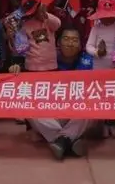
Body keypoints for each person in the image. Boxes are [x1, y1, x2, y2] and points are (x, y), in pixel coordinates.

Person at [29, 26, 95, 160]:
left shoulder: (90, 61)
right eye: (66, 39)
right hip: (54, 111)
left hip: (77, 112)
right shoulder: (47, 58)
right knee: (30, 109)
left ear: (81, 44)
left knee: (93, 108)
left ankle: (58, 140)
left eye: (74, 40)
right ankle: (68, 140)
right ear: (58, 42)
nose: (70, 43)